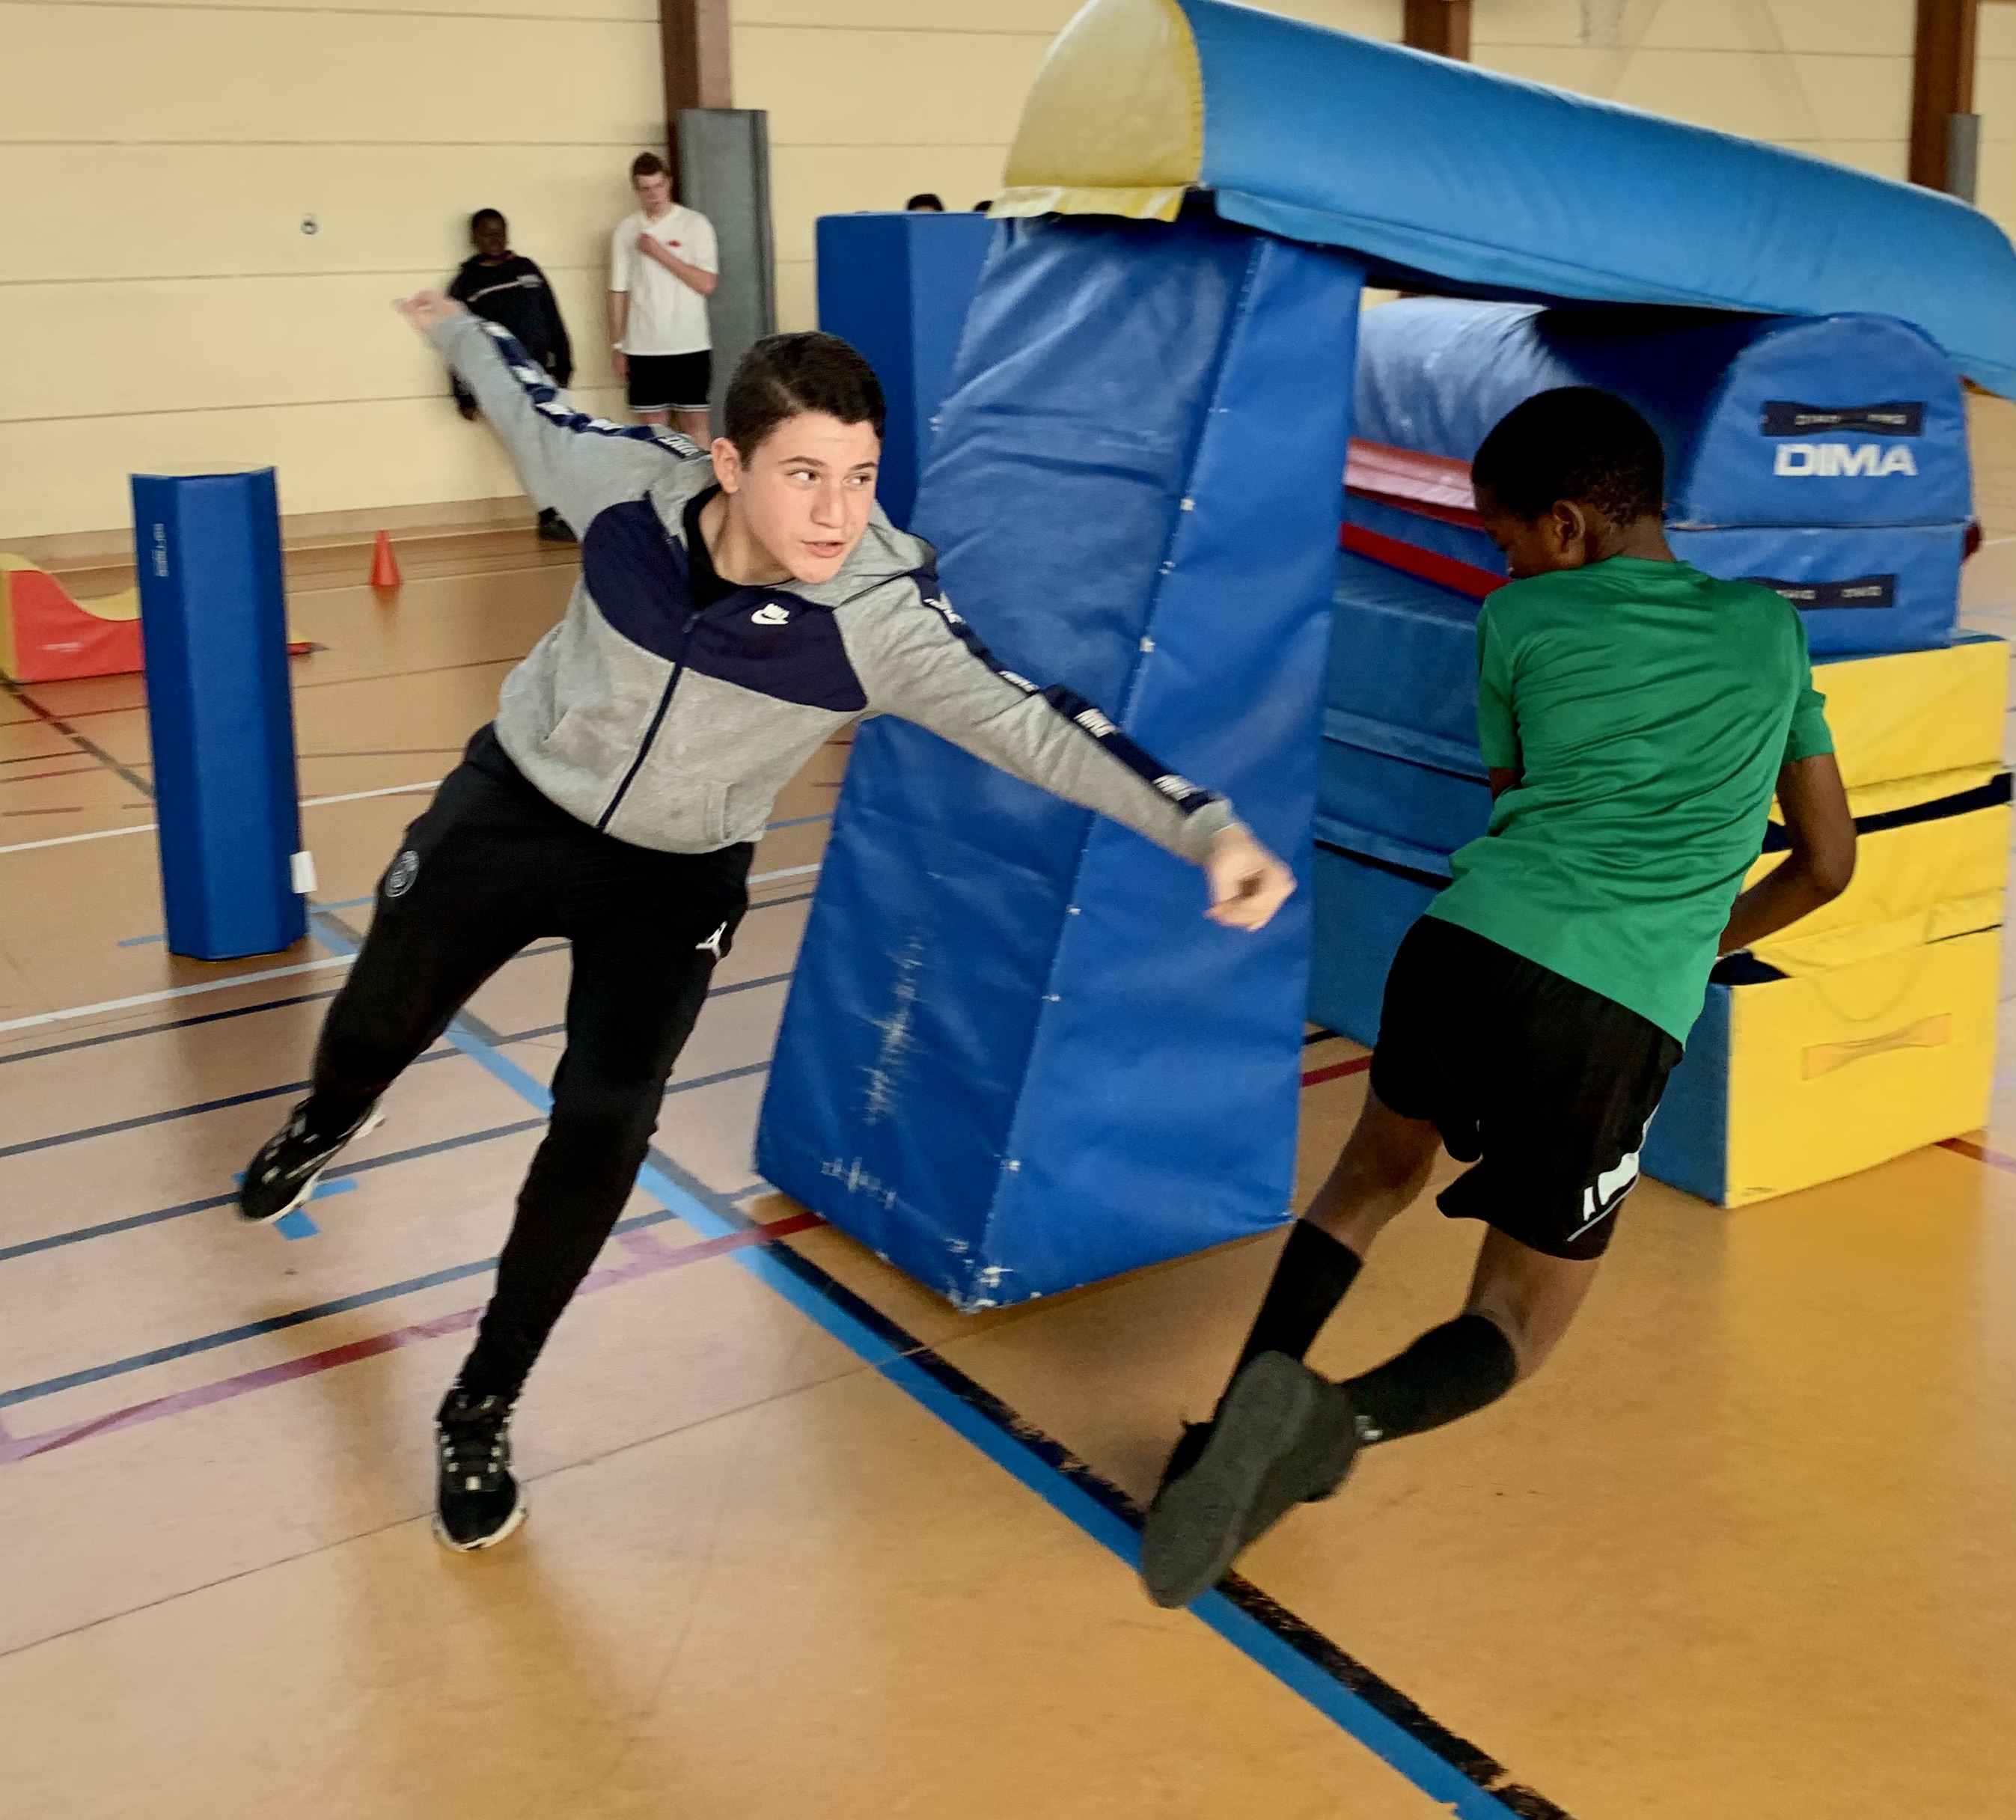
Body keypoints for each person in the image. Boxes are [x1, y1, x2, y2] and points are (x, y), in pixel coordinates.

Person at [237, 293, 1297, 1555]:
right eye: (804, 475)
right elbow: (525, 401)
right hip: (516, 804)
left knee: (604, 1122)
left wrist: (1205, 828)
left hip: (673, 877)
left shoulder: (877, 617)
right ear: (728, 464)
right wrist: (458, 324)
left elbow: (1035, 721)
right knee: (374, 1022)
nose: (836, 514)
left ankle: (483, 1400)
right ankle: (330, 1115)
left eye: (859, 477)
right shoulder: (621, 493)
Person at [1139, 387, 1857, 1608]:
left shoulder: (1516, 619)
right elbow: (1827, 864)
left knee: (1367, 1179)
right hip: (1610, 1009)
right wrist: (1687, 947)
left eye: (1503, 539)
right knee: (1516, 1325)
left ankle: (1224, 1434)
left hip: (1462, 947)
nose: (1502, 563)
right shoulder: (1768, 629)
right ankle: (1330, 1423)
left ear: (1566, 525)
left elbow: (1518, 800)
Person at [449, 209, 578, 543]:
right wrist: (463, 394)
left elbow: (553, 318)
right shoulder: (466, 285)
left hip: (542, 375)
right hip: (501, 381)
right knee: (529, 447)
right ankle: (548, 516)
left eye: (500, 231)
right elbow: (457, 342)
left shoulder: (528, 270)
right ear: (475, 238)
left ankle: (571, 508)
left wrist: (563, 365)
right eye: (487, 233)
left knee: (560, 440)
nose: (495, 239)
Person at [608, 152, 717, 443]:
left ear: (668, 182)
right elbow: (618, 291)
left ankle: (703, 475)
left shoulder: (695, 225)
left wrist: (659, 253)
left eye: (658, 186)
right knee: (655, 429)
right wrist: (618, 345)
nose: (654, 195)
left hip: (689, 343)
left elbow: (706, 284)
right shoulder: (626, 230)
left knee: (695, 423)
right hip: (643, 346)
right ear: (636, 190)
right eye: (645, 189)